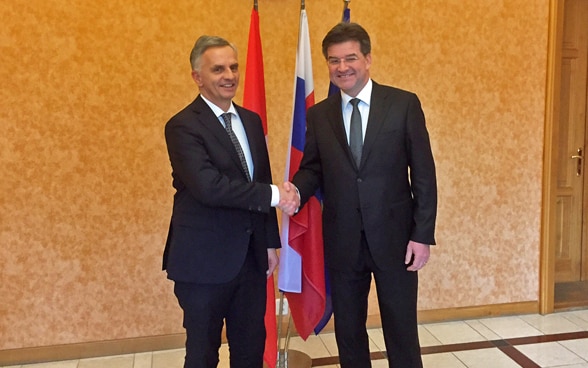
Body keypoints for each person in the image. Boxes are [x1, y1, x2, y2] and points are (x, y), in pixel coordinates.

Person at [287, 23, 437, 367]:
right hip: (342, 241)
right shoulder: (319, 115)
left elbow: (424, 175)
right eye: (333, 60)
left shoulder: (403, 104)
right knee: (349, 332)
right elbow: (313, 169)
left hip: (396, 240)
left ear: (368, 59)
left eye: (350, 58)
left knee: (401, 330)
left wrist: (422, 235)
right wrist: (296, 189)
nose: (342, 67)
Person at [162, 35, 298, 368]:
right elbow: (210, 188)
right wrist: (277, 195)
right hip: (202, 263)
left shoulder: (251, 121)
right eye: (218, 69)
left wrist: (269, 243)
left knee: (251, 350)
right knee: (203, 354)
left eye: (234, 67)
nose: (229, 75)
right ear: (197, 77)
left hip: (251, 262)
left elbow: (259, 179)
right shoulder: (182, 126)